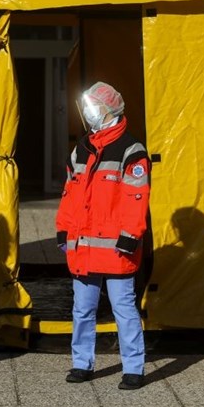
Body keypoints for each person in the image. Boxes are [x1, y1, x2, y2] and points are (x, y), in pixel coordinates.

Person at [56, 81, 150, 390]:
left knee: (124, 308)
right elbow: (70, 193)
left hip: (115, 248)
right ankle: (81, 363)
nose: (87, 114)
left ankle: (134, 367)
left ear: (108, 110)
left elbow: (136, 198)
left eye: (92, 108)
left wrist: (129, 237)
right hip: (84, 245)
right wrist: (63, 228)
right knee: (82, 309)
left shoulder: (131, 150)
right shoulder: (82, 148)